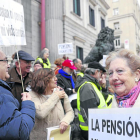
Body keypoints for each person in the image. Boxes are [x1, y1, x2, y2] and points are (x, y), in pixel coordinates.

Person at [29, 68, 74, 140]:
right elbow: (40, 113)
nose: (56, 79)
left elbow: (70, 111)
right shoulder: (31, 95)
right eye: (53, 77)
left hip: (59, 136)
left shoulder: (60, 92)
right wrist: (56, 96)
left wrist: (65, 121)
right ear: (45, 80)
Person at [0, 50, 35, 140]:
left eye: (30, 63)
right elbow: (18, 131)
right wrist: (27, 105)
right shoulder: (6, 77)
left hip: (25, 120)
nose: (30, 65)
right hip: (17, 121)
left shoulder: (32, 76)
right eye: (27, 62)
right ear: (17, 64)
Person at [75, 61, 110, 140]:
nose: (101, 76)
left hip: (94, 129)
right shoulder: (87, 86)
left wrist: (103, 88)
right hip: (92, 131)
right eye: (101, 74)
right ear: (96, 72)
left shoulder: (91, 84)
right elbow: (90, 114)